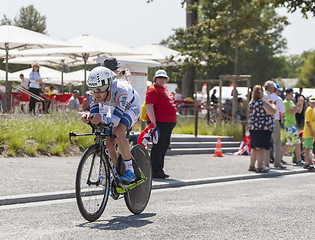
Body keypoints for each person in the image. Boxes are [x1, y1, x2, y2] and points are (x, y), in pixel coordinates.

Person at [81, 66, 141, 183]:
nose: (96, 93)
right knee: (108, 142)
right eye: (93, 89)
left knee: (118, 131)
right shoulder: (94, 93)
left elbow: (115, 121)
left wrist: (101, 118)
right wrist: (89, 117)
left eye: (100, 89)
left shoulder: (121, 90)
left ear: (108, 87)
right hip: (116, 106)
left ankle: (130, 171)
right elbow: (95, 114)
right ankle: (118, 174)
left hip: (132, 106)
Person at [145, 69, 177, 179]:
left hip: (167, 123)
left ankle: (159, 169)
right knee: (158, 146)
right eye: (160, 78)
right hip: (159, 123)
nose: (162, 79)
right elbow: (149, 105)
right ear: (155, 79)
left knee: (164, 146)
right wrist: (153, 122)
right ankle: (154, 170)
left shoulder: (164, 89)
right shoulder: (153, 90)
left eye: (164, 78)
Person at [248, 85, 276, 173]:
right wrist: (273, 104)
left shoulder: (251, 102)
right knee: (261, 148)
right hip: (263, 127)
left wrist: (269, 103)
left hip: (253, 127)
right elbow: (272, 111)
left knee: (255, 147)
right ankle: (259, 167)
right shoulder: (262, 102)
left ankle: (251, 165)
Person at [280, 88, 305, 165]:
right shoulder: (285, 103)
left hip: (292, 124)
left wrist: (302, 103)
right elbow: (293, 112)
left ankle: (279, 158)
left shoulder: (291, 102)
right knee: (296, 142)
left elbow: (299, 111)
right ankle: (298, 160)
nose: (292, 95)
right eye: (291, 94)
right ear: (287, 94)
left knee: (290, 143)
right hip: (289, 124)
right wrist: (298, 103)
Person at [270, 83, 286, 168]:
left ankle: (265, 162)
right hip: (275, 120)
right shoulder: (278, 99)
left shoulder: (265, 97)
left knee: (267, 142)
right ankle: (277, 161)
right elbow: (283, 112)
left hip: (266, 121)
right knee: (277, 142)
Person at [302, 96, 315, 169]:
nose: (313, 103)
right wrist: (311, 131)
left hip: (312, 132)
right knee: (307, 148)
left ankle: (309, 161)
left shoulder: (313, 110)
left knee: (309, 147)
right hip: (308, 132)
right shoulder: (309, 109)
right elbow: (307, 122)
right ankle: (306, 162)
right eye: (312, 102)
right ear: (309, 102)